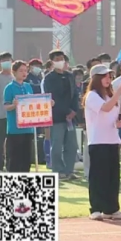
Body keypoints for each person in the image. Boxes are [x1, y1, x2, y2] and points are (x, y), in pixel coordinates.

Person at [83, 64, 121, 220]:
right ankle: (96, 208)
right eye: (104, 76)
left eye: (109, 76)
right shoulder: (92, 96)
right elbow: (106, 108)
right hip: (98, 141)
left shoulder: (110, 96)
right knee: (98, 176)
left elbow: (111, 115)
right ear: (96, 78)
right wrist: (119, 92)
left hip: (112, 140)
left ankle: (111, 208)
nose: (108, 79)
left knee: (112, 177)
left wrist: (118, 123)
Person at [42, 50, 80, 180]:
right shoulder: (49, 78)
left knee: (72, 145)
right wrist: (66, 111)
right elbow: (52, 98)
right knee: (57, 145)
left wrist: (74, 110)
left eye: (62, 58)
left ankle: (69, 170)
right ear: (52, 62)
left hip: (71, 118)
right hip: (57, 116)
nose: (60, 61)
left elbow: (75, 94)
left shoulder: (69, 76)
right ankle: (58, 170)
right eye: (57, 59)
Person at [3, 60, 35, 173]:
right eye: (21, 71)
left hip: (28, 128)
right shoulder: (9, 88)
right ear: (14, 72)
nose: (24, 73)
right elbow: (6, 106)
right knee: (14, 159)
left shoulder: (28, 86)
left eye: (25, 71)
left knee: (26, 159)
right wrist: (13, 105)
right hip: (15, 129)